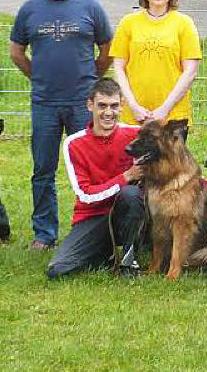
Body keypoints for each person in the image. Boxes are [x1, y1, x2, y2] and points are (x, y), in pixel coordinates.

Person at [10, 0, 113, 251]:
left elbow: (107, 48)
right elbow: (17, 53)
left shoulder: (90, 7)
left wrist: (92, 79)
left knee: (92, 168)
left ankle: (93, 229)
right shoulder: (30, 10)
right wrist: (38, 76)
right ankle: (44, 233)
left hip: (83, 103)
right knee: (43, 170)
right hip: (44, 103)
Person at [46, 78, 145, 278]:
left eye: (114, 106)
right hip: (92, 216)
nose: (108, 113)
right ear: (90, 105)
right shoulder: (74, 144)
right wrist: (126, 176)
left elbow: (172, 164)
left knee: (132, 194)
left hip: (128, 212)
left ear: (122, 106)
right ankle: (103, 251)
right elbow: (85, 195)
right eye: (102, 106)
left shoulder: (136, 135)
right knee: (58, 270)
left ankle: (128, 262)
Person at [110, 0, 201, 126]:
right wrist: (133, 105)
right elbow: (118, 67)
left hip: (173, 117)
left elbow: (190, 72)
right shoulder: (128, 23)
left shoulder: (185, 24)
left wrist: (164, 109)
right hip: (135, 116)